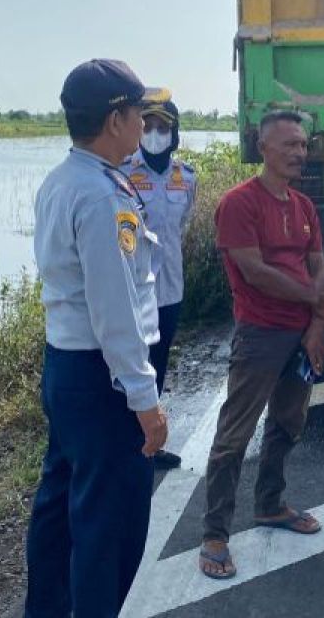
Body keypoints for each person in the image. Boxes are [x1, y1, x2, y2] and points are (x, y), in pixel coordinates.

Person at [24, 58, 171, 618]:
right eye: (139, 114)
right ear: (115, 119)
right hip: (102, 378)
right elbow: (115, 312)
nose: (144, 126)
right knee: (108, 521)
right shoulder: (103, 196)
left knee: (61, 507)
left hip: (65, 367)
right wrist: (145, 401)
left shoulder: (63, 181)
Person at [198, 110, 324, 580]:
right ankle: (215, 534)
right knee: (234, 436)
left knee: (288, 423)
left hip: (301, 333)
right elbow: (254, 271)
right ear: (263, 149)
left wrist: (317, 323)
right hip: (260, 332)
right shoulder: (239, 203)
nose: (300, 153)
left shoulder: (303, 206)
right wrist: (316, 298)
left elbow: (318, 264)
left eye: (303, 145)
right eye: (289, 145)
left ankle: (270, 504)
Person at [124, 99, 197, 469]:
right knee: (128, 368)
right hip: (133, 292)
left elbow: (179, 227)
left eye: (163, 128)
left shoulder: (187, 177)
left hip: (170, 291)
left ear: (175, 134)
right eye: (148, 126)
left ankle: (148, 445)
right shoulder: (121, 174)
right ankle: (126, 443)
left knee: (159, 363)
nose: (155, 135)